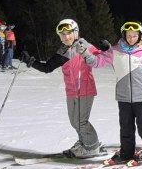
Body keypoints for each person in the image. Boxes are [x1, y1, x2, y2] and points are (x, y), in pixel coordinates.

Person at [92, 21, 142, 165]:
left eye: (135, 36)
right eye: (129, 35)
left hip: (141, 96)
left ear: (139, 36)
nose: (131, 38)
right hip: (123, 97)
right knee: (126, 127)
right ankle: (126, 153)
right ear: (124, 35)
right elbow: (97, 62)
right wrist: (87, 53)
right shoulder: (115, 51)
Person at [23, 19, 105, 158]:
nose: (66, 37)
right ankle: (84, 142)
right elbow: (47, 67)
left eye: (69, 33)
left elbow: (101, 60)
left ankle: (92, 146)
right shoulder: (62, 52)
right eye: (63, 35)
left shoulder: (85, 46)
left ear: (76, 32)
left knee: (81, 122)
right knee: (74, 122)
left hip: (85, 90)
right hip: (71, 91)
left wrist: (106, 49)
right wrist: (30, 61)